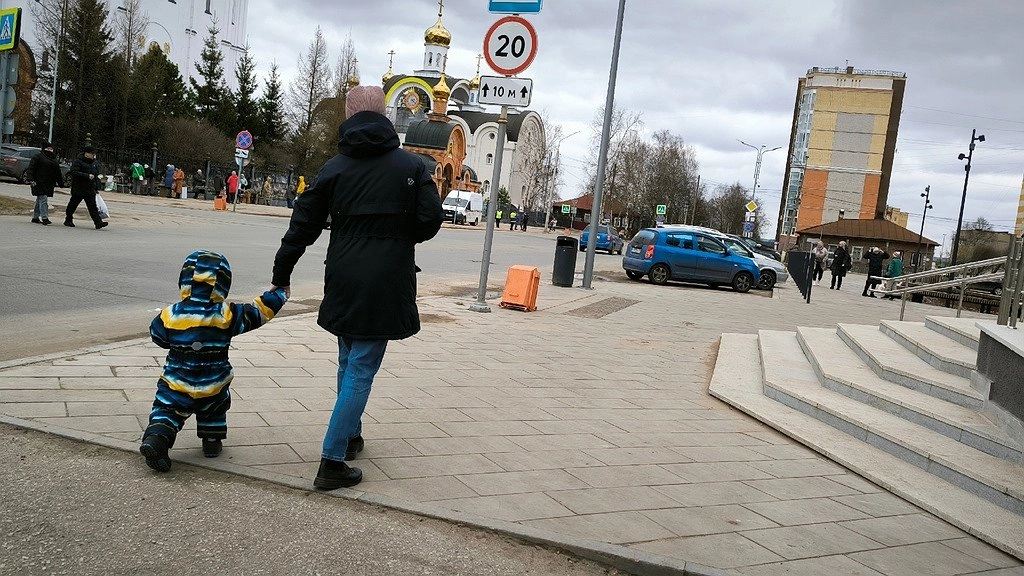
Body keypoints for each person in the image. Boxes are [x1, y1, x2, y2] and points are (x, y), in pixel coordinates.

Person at [271, 85, 443, 491]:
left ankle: (350, 435)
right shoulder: (412, 166)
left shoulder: (334, 168)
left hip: (343, 273)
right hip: (386, 278)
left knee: (349, 358)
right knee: (361, 366)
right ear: (384, 115)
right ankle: (331, 460)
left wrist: (282, 273)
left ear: (349, 117)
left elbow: (303, 225)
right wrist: (399, 239)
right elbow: (430, 219)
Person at [140, 250, 289, 472]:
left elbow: (158, 336)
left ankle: (157, 439)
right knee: (215, 407)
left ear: (184, 281)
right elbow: (257, 313)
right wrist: (279, 295)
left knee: (167, 410)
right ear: (223, 284)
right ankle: (211, 441)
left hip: (176, 382)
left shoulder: (170, 315)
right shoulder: (226, 314)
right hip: (214, 381)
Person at [64, 146, 107, 229]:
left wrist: (96, 187)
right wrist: (86, 176)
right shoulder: (78, 161)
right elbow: (74, 172)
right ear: (86, 154)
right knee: (73, 205)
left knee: (92, 206)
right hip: (79, 187)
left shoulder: (94, 163)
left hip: (90, 188)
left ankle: (98, 222)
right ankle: (68, 219)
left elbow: (95, 175)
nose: (93, 155)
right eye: (92, 153)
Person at [26, 142, 63, 226]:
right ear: (44, 149)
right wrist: (30, 179)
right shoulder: (37, 157)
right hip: (38, 181)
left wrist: (60, 182)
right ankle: (45, 218)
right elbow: (31, 168)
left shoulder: (54, 159)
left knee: (39, 199)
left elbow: (58, 172)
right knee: (43, 199)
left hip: (49, 183)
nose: (50, 150)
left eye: (51, 149)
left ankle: (35, 217)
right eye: (48, 148)